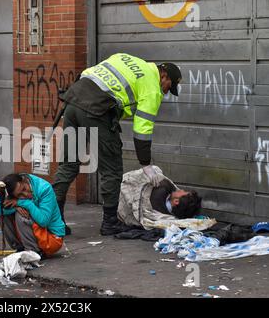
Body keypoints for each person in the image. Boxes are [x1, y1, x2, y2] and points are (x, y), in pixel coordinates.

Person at [52, 53, 182, 236]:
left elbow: (88, 73)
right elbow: (143, 128)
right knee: (111, 168)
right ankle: (110, 223)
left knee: (68, 164)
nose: (167, 91)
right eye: (170, 86)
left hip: (73, 101)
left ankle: (55, 221)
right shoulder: (152, 87)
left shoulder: (128, 59)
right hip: (97, 109)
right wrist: (146, 164)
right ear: (164, 76)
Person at [0, 173, 66, 257]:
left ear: (24, 180)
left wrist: (22, 202)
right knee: (4, 209)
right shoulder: (8, 189)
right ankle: (20, 248)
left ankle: (34, 252)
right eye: (19, 195)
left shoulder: (44, 188)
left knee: (21, 213)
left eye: (24, 188)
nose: (26, 194)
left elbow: (44, 221)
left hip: (52, 239)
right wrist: (15, 207)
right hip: (33, 234)